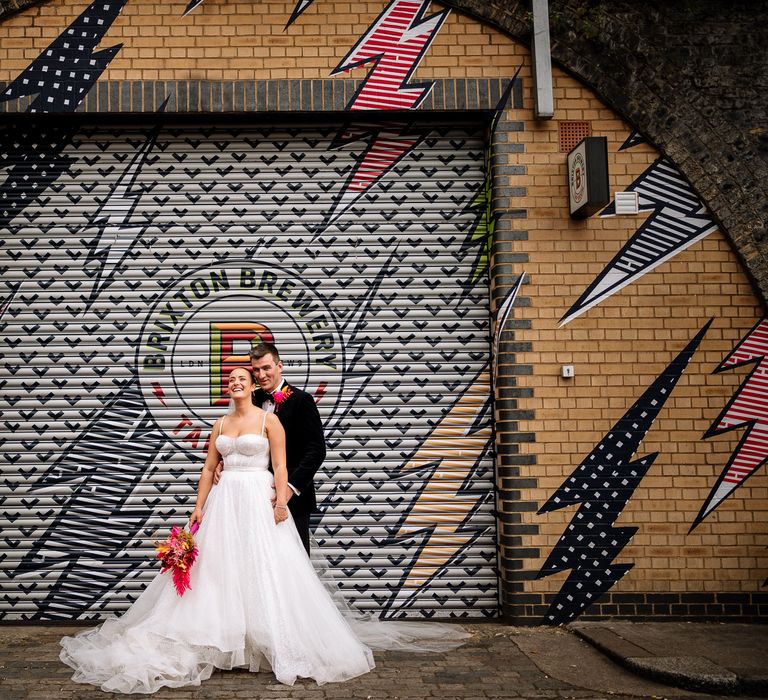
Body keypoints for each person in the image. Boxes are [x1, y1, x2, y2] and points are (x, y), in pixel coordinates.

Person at [59, 367, 469, 694]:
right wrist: (198, 507)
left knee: (268, 567)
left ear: (257, 381)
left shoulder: (273, 419)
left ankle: (274, 638)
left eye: (245, 377)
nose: (238, 382)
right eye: (232, 378)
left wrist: (280, 499)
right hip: (224, 503)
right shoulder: (220, 423)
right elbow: (207, 467)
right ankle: (226, 637)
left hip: (259, 497)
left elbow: (286, 463)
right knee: (221, 570)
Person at [214, 342, 324, 553]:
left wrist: (289, 489)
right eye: (256, 370)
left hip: (292, 500)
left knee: (292, 563)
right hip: (253, 498)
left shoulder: (302, 401)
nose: (261, 374)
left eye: (266, 368)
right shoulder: (251, 400)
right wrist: (224, 462)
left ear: (279, 366)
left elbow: (316, 451)